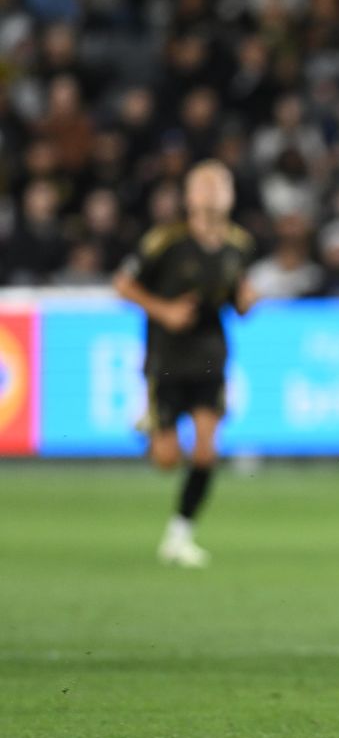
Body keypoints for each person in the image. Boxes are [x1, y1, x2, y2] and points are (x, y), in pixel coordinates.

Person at [113, 160, 258, 568]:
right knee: (165, 460)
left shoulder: (240, 245)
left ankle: (180, 535)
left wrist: (246, 301)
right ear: (190, 196)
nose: (213, 192)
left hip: (211, 357)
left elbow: (238, 299)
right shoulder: (165, 242)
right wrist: (163, 310)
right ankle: (153, 428)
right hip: (166, 357)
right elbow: (123, 284)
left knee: (207, 450)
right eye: (205, 185)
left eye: (220, 185)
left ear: (230, 196)